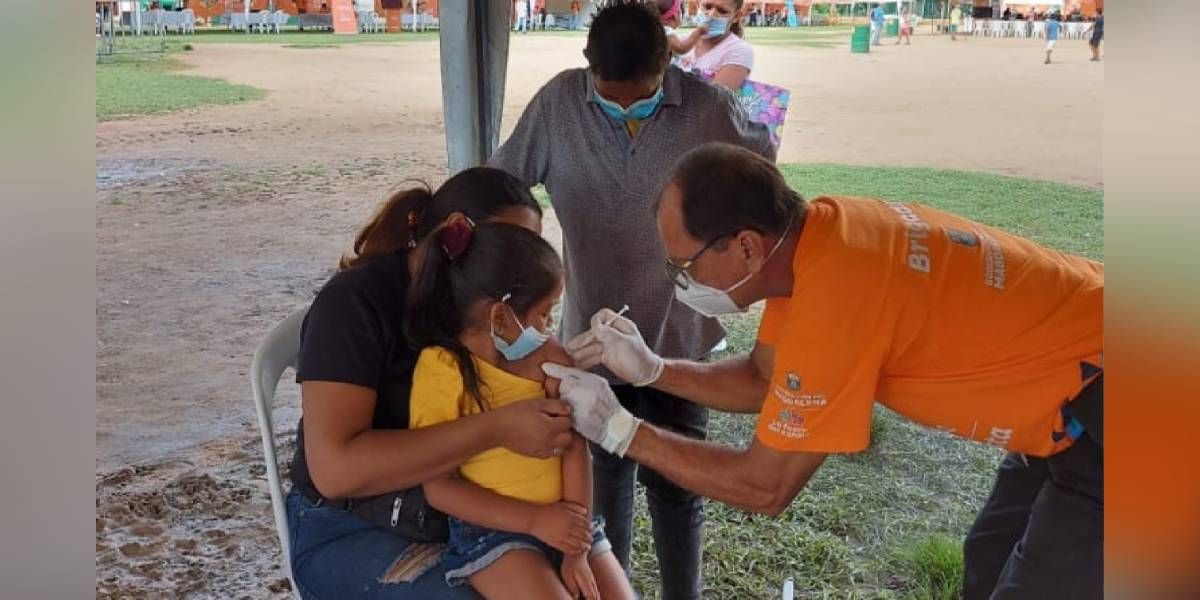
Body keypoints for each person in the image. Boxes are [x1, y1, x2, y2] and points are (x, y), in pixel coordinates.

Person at [548, 142, 1104, 599]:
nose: (680, 280)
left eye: (684, 265)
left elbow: (765, 486)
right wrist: (653, 371)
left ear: (746, 247)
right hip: (1074, 385)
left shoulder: (836, 297)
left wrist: (619, 430)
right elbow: (766, 379)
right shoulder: (822, 238)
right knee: (990, 562)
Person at [486, 5, 774, 598]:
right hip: (592, 342)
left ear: (668, 65)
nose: (621, 108)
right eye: (607, 96)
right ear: (587, 66)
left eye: (636, 100)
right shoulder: (559, 104)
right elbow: (502, 185)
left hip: (680, 341)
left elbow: (764, 166)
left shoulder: (707, 109)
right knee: (602, 490)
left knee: (679, 487)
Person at [286, 168, 576, 599]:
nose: (519, 270)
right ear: (457, 233)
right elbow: (336, 471)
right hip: (347, 526)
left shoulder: (489, 313)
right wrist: (498, 427)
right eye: (507, 250)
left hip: (466, 515)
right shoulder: (353, 305)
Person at [406, 220, 635, 600]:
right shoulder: (443, 370)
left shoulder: (550, 359)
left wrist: (575, 548)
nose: (550, 328)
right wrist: (535, 520)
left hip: (570, 520)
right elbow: (439, 486)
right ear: (500, 317)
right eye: (545, 314)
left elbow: (575, 448)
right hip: (495, 531)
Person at [678, 0, 755, 90]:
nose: (711, 14)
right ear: (698, 4)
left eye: (722, 11)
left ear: (736, 16)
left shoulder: (740, 51)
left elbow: (715, 100)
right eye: (707, 6)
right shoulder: (680, 42)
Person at [657, 0, 708, 64]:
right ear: (675, 16)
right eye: (681, 10)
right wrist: (699, 32)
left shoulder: (656, 28)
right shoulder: (666, 31)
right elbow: (681, 48)